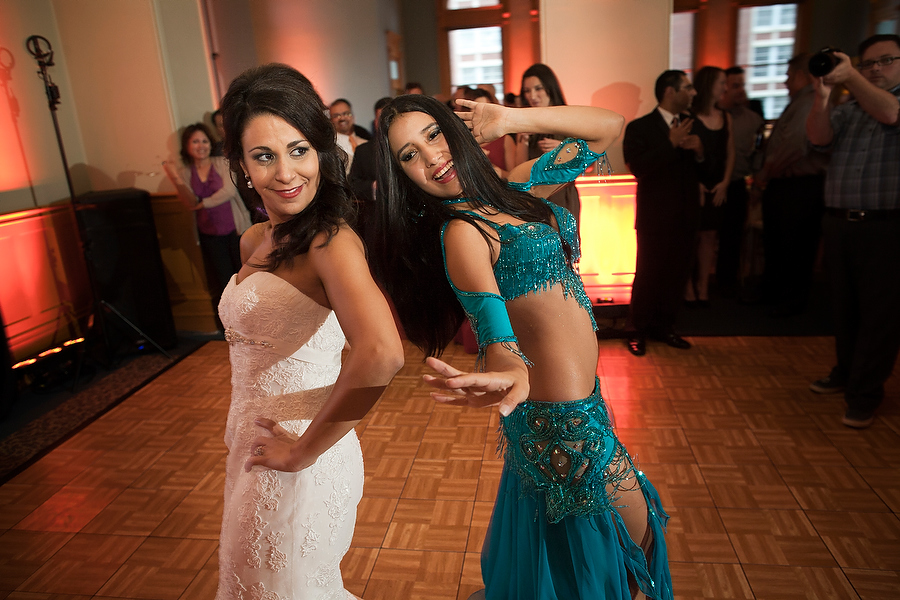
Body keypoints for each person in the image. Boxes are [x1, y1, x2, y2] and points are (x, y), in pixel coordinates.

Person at [369, 94, 673, 600]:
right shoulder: (463, 233)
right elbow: (496, 335)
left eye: (434, 134)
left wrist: (510, 119)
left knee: (609, 564)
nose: (431, 157)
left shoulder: (517, 188)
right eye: (409, 155)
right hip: (560, 425)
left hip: (584, 408)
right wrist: (509, 370)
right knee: (630, 554)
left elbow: (608, 126)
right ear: (403, 177)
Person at [215, 63, 404, 598]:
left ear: (321, 151)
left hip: (301, 448)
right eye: (263, 156)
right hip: (251, 442)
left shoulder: (330, 242)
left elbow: (382, 353)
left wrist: (302, 453)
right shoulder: (255, 240)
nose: (285, 172)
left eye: (298, 150)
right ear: (242, 166)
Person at [806, 34, 900, 429]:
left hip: (886, 226)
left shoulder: (887, 102)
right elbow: (818, 138)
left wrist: (850, 78)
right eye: (868, 63)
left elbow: (890, 113)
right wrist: (823, 96)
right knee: (843, 309)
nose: (875, 69)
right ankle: (845, 373)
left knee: (880, 316)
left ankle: (864, 395)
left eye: (886, 60)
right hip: (840, 222)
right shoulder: (850, 108)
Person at [622, 70, 705, 356]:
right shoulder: (640, 127)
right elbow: (638, 166)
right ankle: (636, 330)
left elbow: (709, 171)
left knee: (677, 275)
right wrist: (670, 143)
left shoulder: (694, 125)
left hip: (687, 215)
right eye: (688, 88)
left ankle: (665, 327)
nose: (693, 93)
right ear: (670, 91)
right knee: (648, 274)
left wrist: (700, 151)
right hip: (655, 217)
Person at [755, 54, 828, 317]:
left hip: (797, 187)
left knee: (794, 246)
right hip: (789, 185)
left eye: (788, 76)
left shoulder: (809, 102)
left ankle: (789, 303)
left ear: (800, 75)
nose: (785, 82)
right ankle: (777, 297)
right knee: (781, 243)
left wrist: (765, 173)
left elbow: (794, 146)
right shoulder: (800, 102)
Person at [162, 122, 252, 329]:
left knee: (243, 276)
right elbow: (189, 202)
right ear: (187, 146)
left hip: (235, 229)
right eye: (195, 141)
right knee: (223, 279)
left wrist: (203, 203)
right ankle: (232, 326)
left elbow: (228, 191)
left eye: (204, 141)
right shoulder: (186, 172)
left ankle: (252, 322)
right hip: (208, 232)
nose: (201, 145)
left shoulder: (222, 163)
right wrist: (174, 177)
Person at [509, 64, 583, 233]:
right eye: (527, 91)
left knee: (563, 244)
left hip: (562, 195)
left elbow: (589, 162)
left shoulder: (569, 118)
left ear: (550, 88)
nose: (532, 96)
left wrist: (565, 150)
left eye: (538, 89)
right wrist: (523, 139)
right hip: (534, 198)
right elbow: (518, 169)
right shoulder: (526, 121)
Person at [684, 66, 733, 308]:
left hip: (717, 183)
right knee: (689, 236)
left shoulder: (725, 117)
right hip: (695, 184)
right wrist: (695, 184)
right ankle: (688, 287)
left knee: (710, 236)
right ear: (709, 84)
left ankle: (703, 286)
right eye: (721, 82)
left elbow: (730, 152)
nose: (725, 87)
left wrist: (725, 182)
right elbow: (683, 157)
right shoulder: (689, 117)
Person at [717, 66, 764, 298]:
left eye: (742, 85)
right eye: (735, 86)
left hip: (737, 186)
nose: (741, 91)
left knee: (733, 237)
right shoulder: (711, 117)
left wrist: (757, 185)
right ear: (723, 89)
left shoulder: (754, 120)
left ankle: (727, 286)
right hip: (711, 185)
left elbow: (758, 155)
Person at [349, 96, 392, 241]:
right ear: (375, 122)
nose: (385, 123)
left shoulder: (410, 148)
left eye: (389, 117)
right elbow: (352, 185)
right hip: (376, 225)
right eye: (381, 118)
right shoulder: (363, 151)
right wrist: (372, 187)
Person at [329, 98, 368, 172]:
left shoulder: (365, 141)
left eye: (346, 114)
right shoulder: (330, 147)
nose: (342, 118)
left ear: (353, 117)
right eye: (336, 116)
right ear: (331, 120)